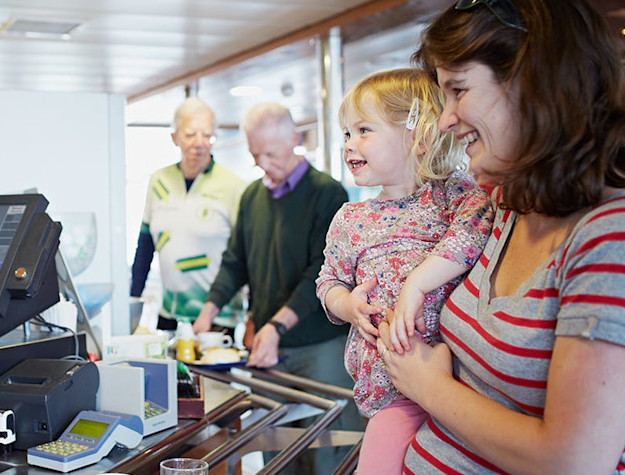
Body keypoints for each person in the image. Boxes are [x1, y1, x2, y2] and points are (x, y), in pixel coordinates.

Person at [375, 0, 625, 473]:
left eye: (459, 90)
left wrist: (427, 385)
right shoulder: (507, 208)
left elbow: (572, 461)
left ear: (535, 82)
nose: (446, 119)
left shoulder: (608, 236)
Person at [316, 68, 493, 473]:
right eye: (346, 133)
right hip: (391, 388)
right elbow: (328, 280)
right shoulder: (350, 218)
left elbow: (473, 229)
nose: (349, 144)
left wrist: (417, 281)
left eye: (364, 130)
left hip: (461, 382)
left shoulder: (453, 193)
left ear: (419, 137)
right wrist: (348, 305)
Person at [193, 102, 357, 474]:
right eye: (255, 154)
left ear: (295, 140)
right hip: (269, 349)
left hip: (320, 347)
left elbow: (321, 271)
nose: (264, 163)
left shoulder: (328, 194)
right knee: (273, 448)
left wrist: (276, 325)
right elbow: (235, 261)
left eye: (272, 153)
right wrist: (209, 311)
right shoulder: (252, 197)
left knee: (328, 449)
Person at [130, 97, 246, 333]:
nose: (199, 143)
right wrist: (132, 302)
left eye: (207, 135)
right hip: (169, 313)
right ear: (175, 138)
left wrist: (254, 313)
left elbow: (246, 257)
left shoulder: (234, 186)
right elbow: (145, 247)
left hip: (217, 318)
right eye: (190, 134)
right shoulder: (159, 181)